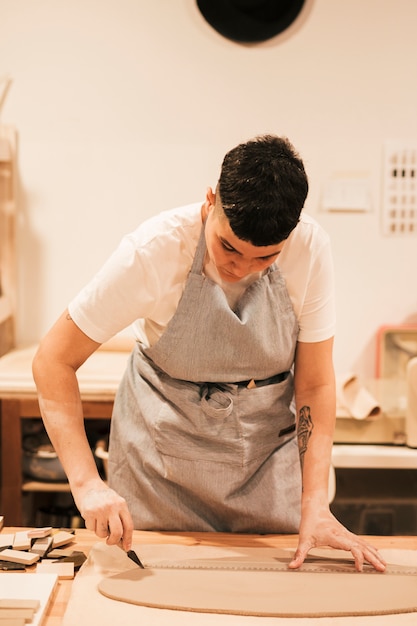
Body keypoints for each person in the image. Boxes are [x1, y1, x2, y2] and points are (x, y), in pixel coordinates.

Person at [32, 134, 386, 572]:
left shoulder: (311, 249)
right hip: (161, 466)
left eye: (265, 258)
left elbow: (314, 381)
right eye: (229, 247)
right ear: (210, 201)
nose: (241, 268)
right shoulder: (154, 250)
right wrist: (87, 485)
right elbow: (53, 359)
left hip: (264, 466)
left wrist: (314, 503)